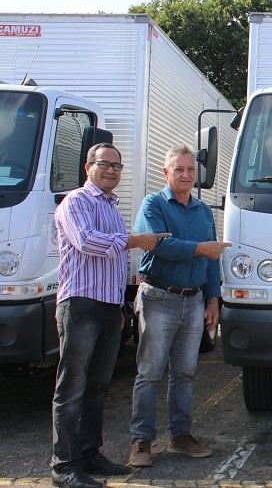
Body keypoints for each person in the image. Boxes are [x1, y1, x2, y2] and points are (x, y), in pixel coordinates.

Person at [51, 143, 169, 488]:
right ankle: (64, 466)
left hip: (105, 308)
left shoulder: (112, 207)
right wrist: (134, 240)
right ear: (88, 166)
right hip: (79, 306)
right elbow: (87, 242)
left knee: (97, 387)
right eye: (104, 164)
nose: (112, 171)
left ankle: (89, 454)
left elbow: (115, 265)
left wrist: (118, 307)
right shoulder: (75, 202)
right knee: (71, 389)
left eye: (117, 166)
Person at [128, 145, 231, 467]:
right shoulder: (153, 204)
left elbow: (213, 260)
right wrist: (202, 248)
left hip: (194, 299)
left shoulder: (202, 210)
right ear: (166, 173)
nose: (186, 175)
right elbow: (159, 244)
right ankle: (141, 440)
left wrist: (213, 299)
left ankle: (180, 436)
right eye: (178, 170)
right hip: (159, 298)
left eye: (190, 170)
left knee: (185, 373)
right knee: (150, 372)